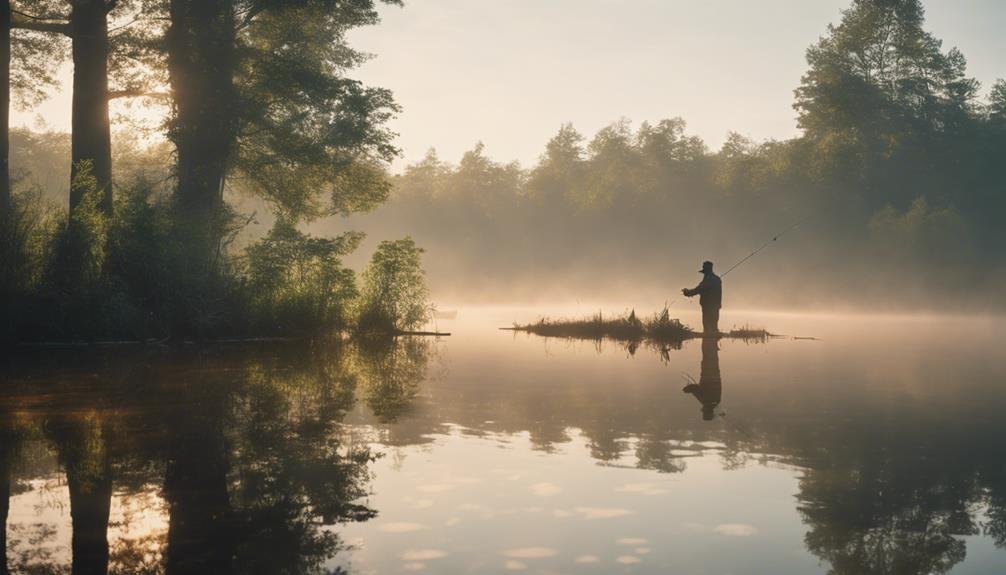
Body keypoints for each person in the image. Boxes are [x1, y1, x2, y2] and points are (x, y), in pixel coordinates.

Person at [683, 337, 722, 421]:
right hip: (707, 373)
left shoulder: (717, 401)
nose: (702, 409)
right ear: (705, 410)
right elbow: (693, 388)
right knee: (707, 352)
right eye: (704, 411)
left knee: (712, 354)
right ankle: (710, 338)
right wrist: (686, 390)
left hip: (716, 374)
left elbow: (697, 389)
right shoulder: (705, 400)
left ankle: (711, 339)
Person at [682, 260, 722, 335]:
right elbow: (700, 288)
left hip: (708, 307)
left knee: (708, 326)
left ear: (706, 271)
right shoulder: (716, 279)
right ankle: (712, 342)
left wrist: (687, 292)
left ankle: (708, 344)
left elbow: (698, 289)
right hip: (715, 306)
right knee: (713, 325)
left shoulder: (709, 280)